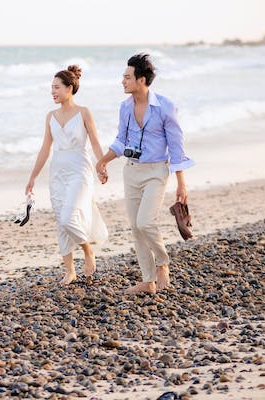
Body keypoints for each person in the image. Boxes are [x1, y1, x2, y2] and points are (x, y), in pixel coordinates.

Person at [96, 53, 195, 294]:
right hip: (131, 171)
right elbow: (121, 140)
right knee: (135, 226)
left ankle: (162, 262)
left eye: (127, 77)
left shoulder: (165, 107)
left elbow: (177, 148)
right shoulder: (125, 107)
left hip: (156, 172)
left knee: (145, 222)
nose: (122, 81)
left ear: (141, 80)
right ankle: (148, 280)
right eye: (123, 76)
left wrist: (181, 184)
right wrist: (103, 161)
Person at [26, 65, 108, 286]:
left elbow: (95, 142)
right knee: (61, 222)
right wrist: (33, 177)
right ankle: (70, 270)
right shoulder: (50, 116)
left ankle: (87, 250)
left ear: (69, 88)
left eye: (56, 87)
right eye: (51, 88)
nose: (52, 92)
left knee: (68, 216)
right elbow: (45, 149)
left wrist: (101, 165)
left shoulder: (83, 112)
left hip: (80, 170)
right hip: (57, 172)